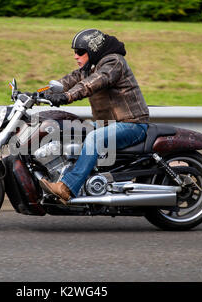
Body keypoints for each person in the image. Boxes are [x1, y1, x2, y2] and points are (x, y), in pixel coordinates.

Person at [40, 29, 149, 204]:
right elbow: (68, 81)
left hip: (131, 124)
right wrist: (40, 93)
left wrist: (67, 97)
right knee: (75, 134)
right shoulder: (89, 67)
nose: (76, 56)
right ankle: (67, 178)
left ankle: (67, 187)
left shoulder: (114, 63)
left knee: (94, 139)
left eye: (80, 52)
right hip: (108, 124)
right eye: (74, 52)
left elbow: (92, 83)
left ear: (93, 49)